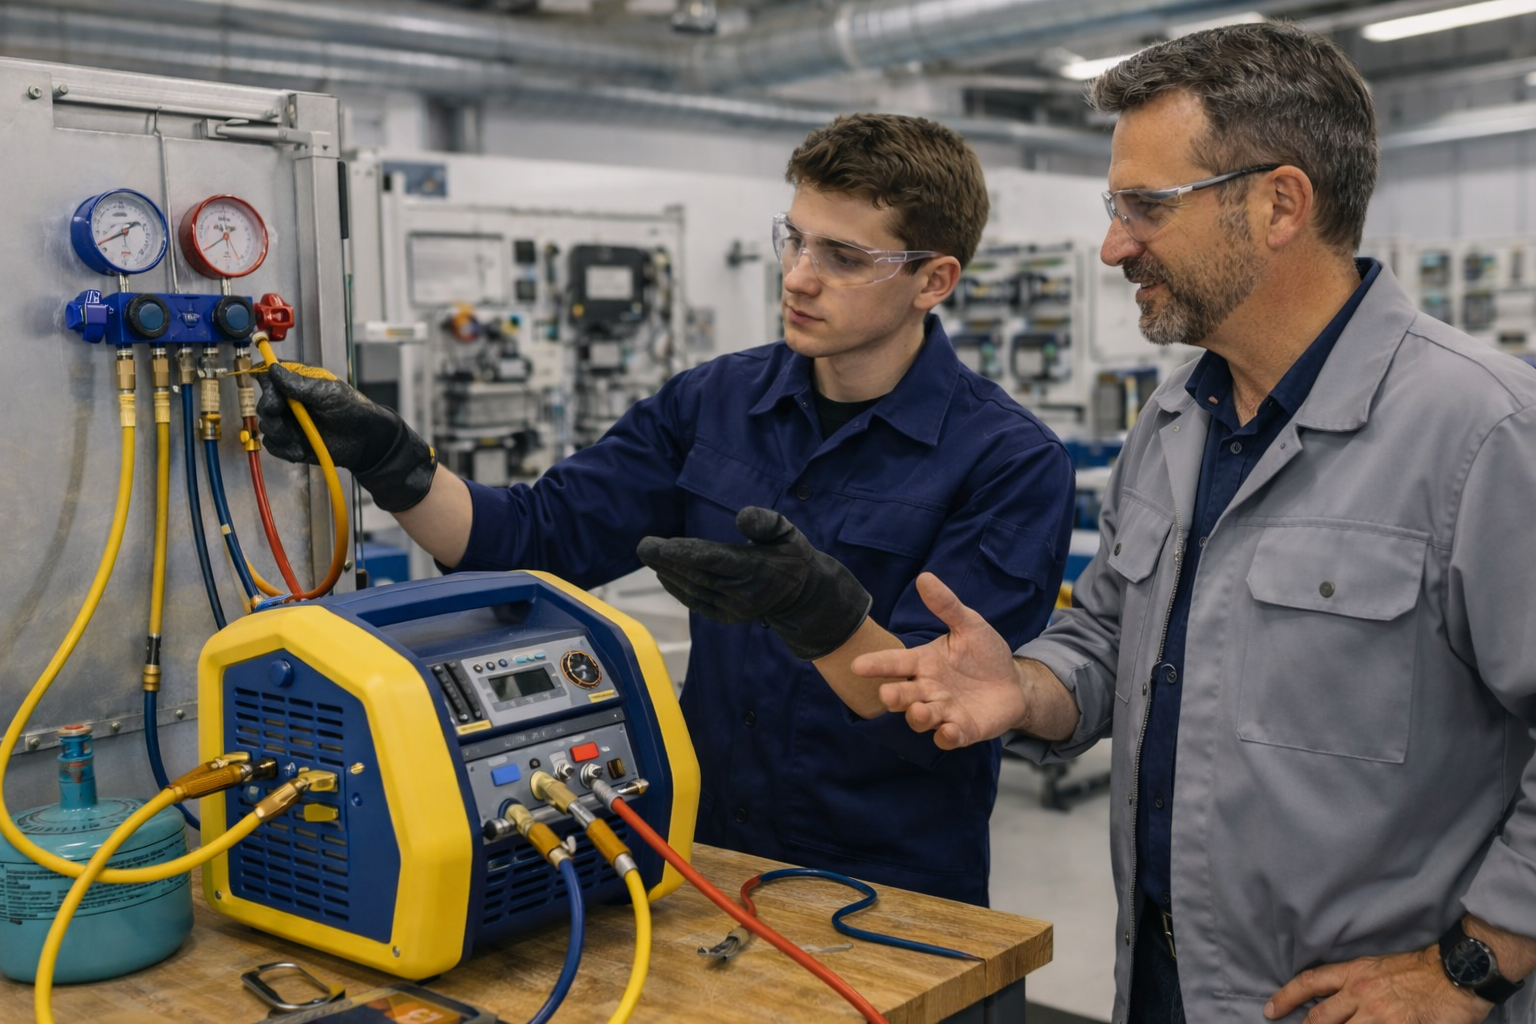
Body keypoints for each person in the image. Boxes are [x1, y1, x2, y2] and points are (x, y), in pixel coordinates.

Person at [855, 23, 1536, 1023]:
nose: (1113, 243)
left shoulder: (1481, 432)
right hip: (1172, 986)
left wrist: (1475, 963)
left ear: (1279, 203)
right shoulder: (1175, 422)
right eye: (1114, 206)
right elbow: (1106, 638)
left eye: (1147, 206)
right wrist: (1028, 687)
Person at [257, 113, 1075, 905]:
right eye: (793, 237)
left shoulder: (1010, 462)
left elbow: (936, 711)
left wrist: (818, 614)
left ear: (933, 280)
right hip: (702, 855)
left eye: (844, 256)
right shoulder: (713, 403)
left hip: (887, 891)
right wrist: (389, 460)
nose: (797, 275)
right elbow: (526, 540)